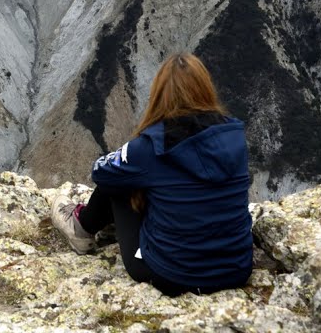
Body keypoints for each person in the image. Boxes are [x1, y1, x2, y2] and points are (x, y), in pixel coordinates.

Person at [51, 52, 253, 296]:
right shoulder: (234, 137)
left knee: (119, 180)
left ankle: (81, 227)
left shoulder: (151, 147)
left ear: (159, 95)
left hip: (172, 274)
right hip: (236, 269)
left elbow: (101, 172)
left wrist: (128, 155)